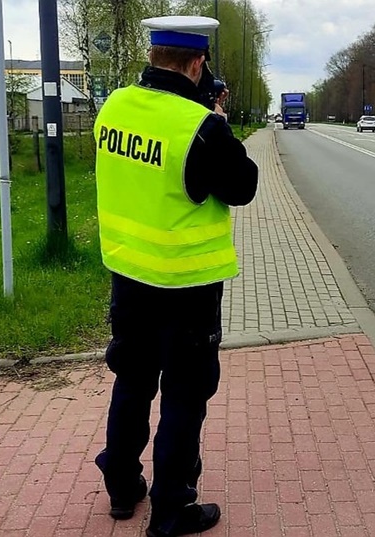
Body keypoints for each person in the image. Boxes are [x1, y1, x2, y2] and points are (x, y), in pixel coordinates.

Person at [91, 15, 258, 537]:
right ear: (196, 63)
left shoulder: (113, 107)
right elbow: (243, 185)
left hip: (128, 275)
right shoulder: (200, 126)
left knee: (133, 380)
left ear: (153, 56)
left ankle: (121, 484)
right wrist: (217, 120)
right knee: (185, 397)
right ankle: (171, 509)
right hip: (186, 287)